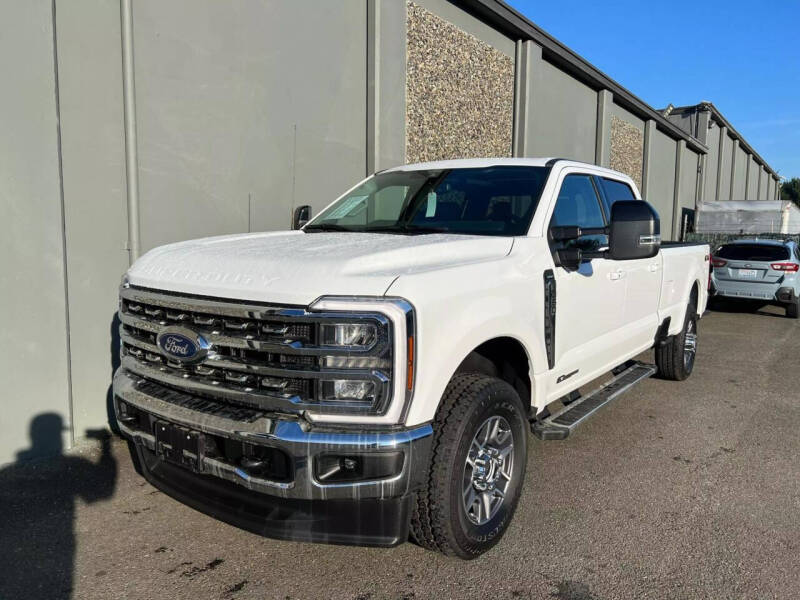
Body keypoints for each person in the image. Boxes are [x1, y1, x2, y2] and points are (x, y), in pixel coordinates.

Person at [0, 413, 117, 600]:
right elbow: (104, 492)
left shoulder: (7, 472)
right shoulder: (74, 464)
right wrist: (106, 448)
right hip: (54, 558)